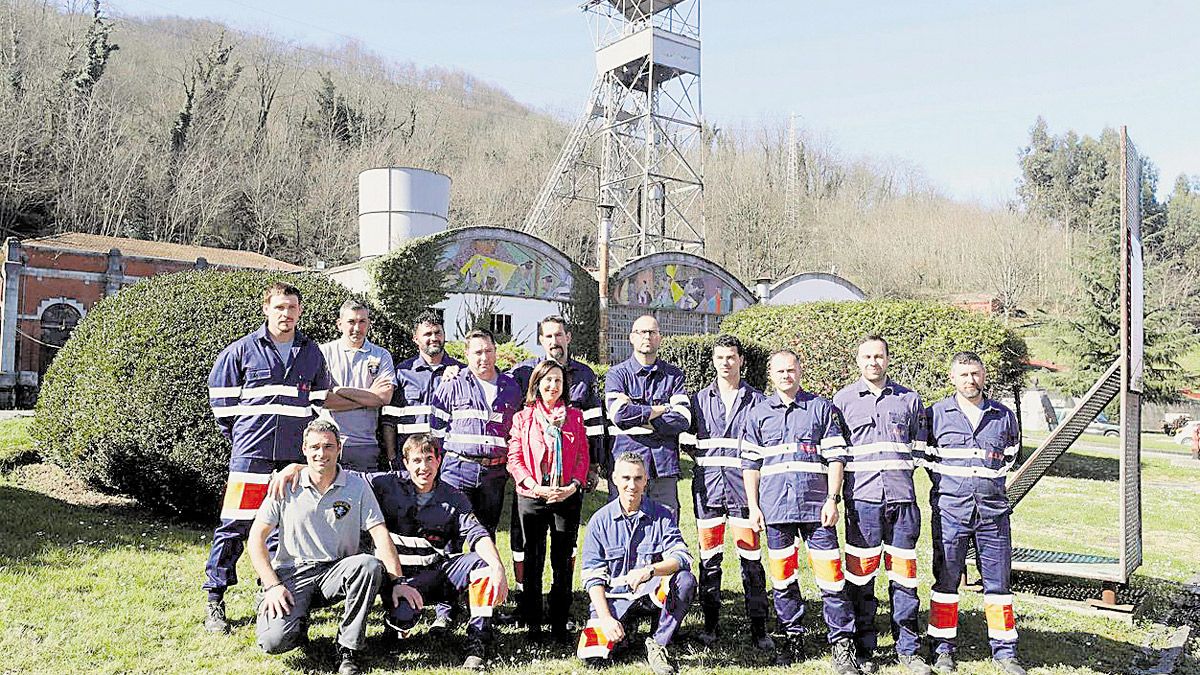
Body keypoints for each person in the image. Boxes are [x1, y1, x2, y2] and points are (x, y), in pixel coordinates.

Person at [203, 281, 331, 634]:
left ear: (299, 311)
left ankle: (271, 594)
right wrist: (246, 438)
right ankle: (215, 598)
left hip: (291, 459)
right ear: (266, 309)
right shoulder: (241, 351)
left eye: (291, 308)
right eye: (279, 308)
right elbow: (223, 407)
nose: (285, 314)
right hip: (251, 456)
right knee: (234, 526)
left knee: (283, 530)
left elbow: (317, 405)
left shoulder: (311, 353)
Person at [249, 420, 409, 675]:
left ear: (339, 449)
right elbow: (256, 538)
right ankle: (296, 624)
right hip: (293, 573)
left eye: (328, 447)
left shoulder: (357, 487)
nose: (320, 453)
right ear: (304, 449)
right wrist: (272, 586)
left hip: (337, 570)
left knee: (368, 565)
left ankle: (347, 649)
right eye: (314, 447)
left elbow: (380, 535)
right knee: (273, 642)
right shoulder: (284, 484)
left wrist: (398, 581)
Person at [742, 349, 860, 674]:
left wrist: (832, 499)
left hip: (816, 509)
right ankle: (790, 639)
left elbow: (837, 458)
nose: (786, 375)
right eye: (780, 371)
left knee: (832, 581)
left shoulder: (821, 408)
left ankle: (842, 645)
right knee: (782, 580)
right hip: (775, 509)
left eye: (791, 370)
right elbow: (750, 466)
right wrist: (753, 507)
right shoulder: (758, 413)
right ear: (771, 374)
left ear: (799, 371)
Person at [832, 336, 930, 675]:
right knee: (860, 579)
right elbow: (837, 453)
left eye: (879, 356)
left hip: (902, 500)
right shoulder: (842, 401)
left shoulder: (909, 399)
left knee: (904, 578)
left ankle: (908, 649)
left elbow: (920, 448)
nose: (873, 362)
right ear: (858, 360)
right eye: (867, 356)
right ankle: (864, 647)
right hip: (862, 502)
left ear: (888, 359)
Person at [924, 352, 1025, 675]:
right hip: (950, 511)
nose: (970, 380)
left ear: (984, 375)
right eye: (964, 374)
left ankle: (1005, 652)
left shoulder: (1003, 416)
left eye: (975, 374)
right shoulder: (935, 415)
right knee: (946, 581)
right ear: (952, 378)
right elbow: (927, 460)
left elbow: (1009, 457)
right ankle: (942, 649)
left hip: (993, 513)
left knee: (998, 584)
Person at [374, 434, 510, 670]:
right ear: (405, 463)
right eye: (416, 460)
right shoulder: (386, 483)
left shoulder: (453, 497)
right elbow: (341, 476)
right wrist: (298, 467)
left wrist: (498, 567)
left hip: (436, 574)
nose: (423, 467)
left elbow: (477, 534)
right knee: (402, 621)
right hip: (398, 580)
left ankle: (478, 639)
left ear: (439, 460)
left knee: (483, 565)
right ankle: (394, 625)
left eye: (429, 459)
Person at [678, 335, 772, 650]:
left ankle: (759, 628)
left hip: (744, 492)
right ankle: (710, 625)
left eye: (731, 357)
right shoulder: (698, 400)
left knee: (751, 560)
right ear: (713, 361)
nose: (725, 363)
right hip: (708, 491)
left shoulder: (758, 400)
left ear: (741, 360)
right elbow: (686, 441)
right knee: (709, 560)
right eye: (720, 358)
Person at [506, 315, 604, 616]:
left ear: (568, 337)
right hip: (533, 485)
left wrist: (591, 469)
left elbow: (594, 428)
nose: (553, 341)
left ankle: (562, 603)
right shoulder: (522, 373)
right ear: (540, 340)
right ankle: (526, 602)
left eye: (558, 335)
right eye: (547, 336)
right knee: (526, 547)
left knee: (565, 548)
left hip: (568, 483)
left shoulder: (585, 376)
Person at [577, 452, 696, 675]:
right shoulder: (599, 521)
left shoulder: (662, 515)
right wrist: (605, 618)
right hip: (615, 598)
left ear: (646, 480)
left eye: (638, 478)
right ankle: (626, 628)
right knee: (593, 657)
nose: (632, 485)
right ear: (614, 479)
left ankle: (658, 642)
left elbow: (682, 556)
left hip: (650, 595)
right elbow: (592, 577)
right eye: (626, 478)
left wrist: (651, 570)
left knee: (685, 580)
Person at [507, 359, 589, 641]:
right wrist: (533, 486)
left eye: (558, 381)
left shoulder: (575, 417)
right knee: (533, 558)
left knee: (562, 559)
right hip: (532, 495)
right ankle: (532, 623)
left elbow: (582, 457)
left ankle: (559, 621)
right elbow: (515, 459)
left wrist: (573, 486)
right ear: (537, 385)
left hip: (566, 495)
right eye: (547, 381)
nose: (553, 386)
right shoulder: (523, 418)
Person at [430, 328, 522, 535]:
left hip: (494, 476)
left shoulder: (512, 388)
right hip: (457, 470)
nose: (484, 357)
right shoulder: (452, 383)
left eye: (488, 351)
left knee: (486, 535)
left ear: (495, 351)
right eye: (478, 353)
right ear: (466, 354)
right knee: (449, 533)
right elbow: (435, 432)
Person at [604, 314, 690, 517]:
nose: (647, 337)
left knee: (666, 526)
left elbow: (683, 418)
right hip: (627, 465)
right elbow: (619, 415)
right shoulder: (617, 374)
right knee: (623, 524)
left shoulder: (674, 375)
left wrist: (638, 413)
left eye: (652, 332)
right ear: (631, 337)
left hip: (663, 467)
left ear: (659, 338)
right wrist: (660, 410)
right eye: (642, 332)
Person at [379, 310, 464, 470]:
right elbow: (388, 420)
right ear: (415, 338)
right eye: (427, 334)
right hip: (411, 461)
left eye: (438, 332)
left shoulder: (461, 372)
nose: (434, 338)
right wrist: (392, 457)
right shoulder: (402, 373)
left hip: (449, 461)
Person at [320, 300, 395, 472]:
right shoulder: (323, 353)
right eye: (351, 322)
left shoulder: (381, 355)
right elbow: (324, 400)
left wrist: (340, 390)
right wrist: (370, 398)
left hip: (365, 445)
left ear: (368, 323)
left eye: (362, 322)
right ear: (339, 324)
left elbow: (384, 397)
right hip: (327, 444)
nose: (357, 328)